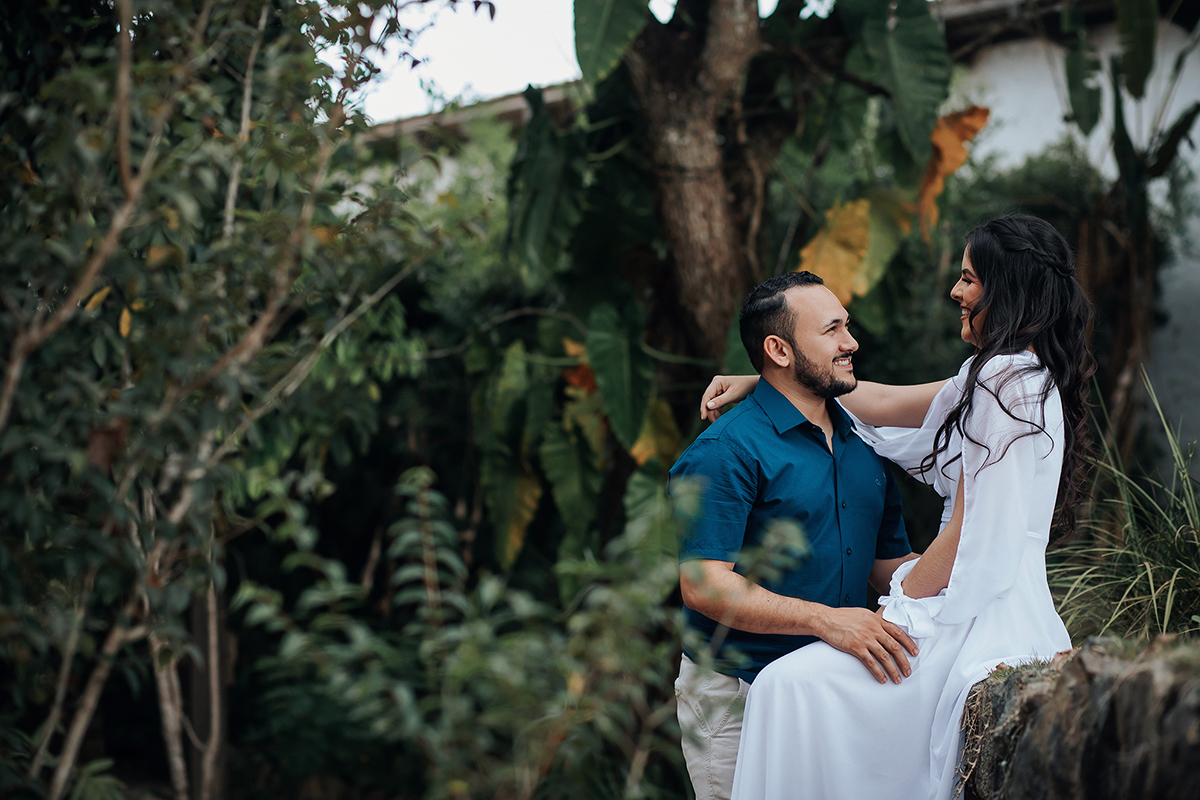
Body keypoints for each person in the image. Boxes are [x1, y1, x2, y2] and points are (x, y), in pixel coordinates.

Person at [703, 215, 1093, 800]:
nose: (956, 293)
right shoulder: (1014, 376)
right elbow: (880, 401)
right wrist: (765, 379)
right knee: (799, 687)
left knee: (786, 686)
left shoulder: (1005, 380)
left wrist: (897, 615)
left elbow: (968, 532)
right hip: (1006, 603)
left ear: (1006, 286)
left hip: (974, 613)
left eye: (968, 279)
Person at [668, 270, 925, 800]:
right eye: (832, 330)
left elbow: (886, 566)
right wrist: (827, 621)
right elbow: (705, 585)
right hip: (737, 692)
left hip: (836, 684)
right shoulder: (725, 451)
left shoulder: (864, 442)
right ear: (778, 350)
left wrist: (973, 577)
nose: (851, 343)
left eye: (846, 326)